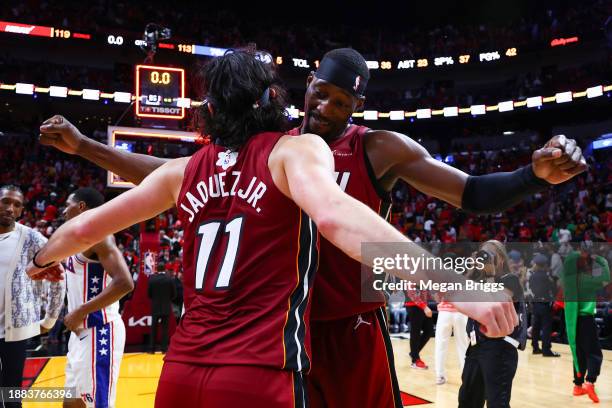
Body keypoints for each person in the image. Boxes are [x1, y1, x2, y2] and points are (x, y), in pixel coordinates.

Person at [35, 47, 581, 408]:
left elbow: (472, 194)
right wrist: (85, 148)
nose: (325, 107)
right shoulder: (277, 146)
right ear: (306, 86)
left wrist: (531, 177)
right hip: (278, 338)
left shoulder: (378, 147)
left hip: (346, 331)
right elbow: (168, 178)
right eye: (320, 93)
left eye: (341, 102)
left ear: (358, 106)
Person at [60, 187, 134, 408]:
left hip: (100, 331)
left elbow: (125, 283)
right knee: (71, 403)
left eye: (68, 205)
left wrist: (80, 311)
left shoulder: (100, 237)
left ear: (81, 207)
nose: (64, 211)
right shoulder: (75, 238)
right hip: (79, 334)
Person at [0, 185, 65, 408]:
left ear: (21, 211)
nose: (10, 208)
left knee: (10, 395)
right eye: (5, 201)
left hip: (14, 330)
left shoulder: (31, 238)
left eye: (16, 205)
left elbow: (59, 277)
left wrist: (50, 319)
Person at [459, 240, 527, 408]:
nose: (485, 258)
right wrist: (472, 269)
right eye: (483, 254)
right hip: (475, 347)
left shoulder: (510, 280)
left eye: (489, 255)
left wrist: (489, 275)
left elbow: (495, 304)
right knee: (467, 401)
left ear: (501, 259)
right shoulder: (479, 281)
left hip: (500, 348)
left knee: (497, 403)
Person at [561, 243, 609, 403]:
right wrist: (600, 258)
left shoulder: (567, 278)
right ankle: (590, 382)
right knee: (595, 353)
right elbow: (606, 278)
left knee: (579, 353)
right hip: (585, 319)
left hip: (572, 320)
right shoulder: (587, 279)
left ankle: (578, 385)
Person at [528, 253, 560, 357]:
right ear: (544, 265)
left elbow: (531, 289)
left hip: (535, 303)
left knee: (536, 326)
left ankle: (535, 347)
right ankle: (546, 350)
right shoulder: (547, 277)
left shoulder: (532, 276)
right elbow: (554, 290)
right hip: (545, 304)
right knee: (546, 327)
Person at [434, 300, 469, 385]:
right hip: (461, 312)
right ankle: (466, 377)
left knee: (440, 345)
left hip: (444, 313)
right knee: (463, 346)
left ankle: (440, 375)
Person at [148, 263, 176, 353]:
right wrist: (167, 300)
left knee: (153, 329)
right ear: (165, 268)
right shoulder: (169, 279)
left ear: (157, 269)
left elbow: (149, 294)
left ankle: (151, 349)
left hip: (155, 307)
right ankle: (164, 349)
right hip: (166, 307)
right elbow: (174, 294)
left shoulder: (152, 279)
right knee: (165, 329)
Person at [405, 290, 434, 369]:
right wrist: (424, 307)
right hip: (413, 306)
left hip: (423, 305)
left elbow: (424, 291)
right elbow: (411, 293)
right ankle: (415, 360)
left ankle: (414, 353)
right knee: (415, 333)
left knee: (429, 330)